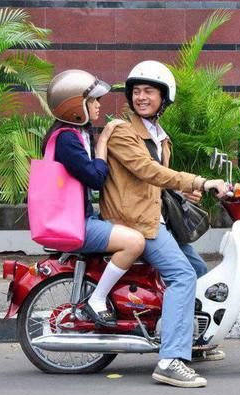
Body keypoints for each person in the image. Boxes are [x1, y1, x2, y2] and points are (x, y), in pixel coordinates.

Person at [100, 60, 227, 388]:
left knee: (199, 271)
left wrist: (184, 190)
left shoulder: (160, 137)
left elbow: (156, 181)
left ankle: (192, 341)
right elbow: (147, 171)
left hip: (156, 219)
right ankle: (171, 359)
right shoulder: (121, 132)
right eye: (137, 92)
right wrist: (198, 181)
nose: (141, 97)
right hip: (134, 222)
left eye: (149, 92)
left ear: (164, 98)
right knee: (182, 276)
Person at [44, 70, 146, 327]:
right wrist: (104, 142)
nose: (99, 105)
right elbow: (96, 178)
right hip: (74, 224)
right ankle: (97, 299)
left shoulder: (73, 135)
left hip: (79, 218)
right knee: (134, 243)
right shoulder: (67, 139)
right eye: (93, 100)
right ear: (76, 106)